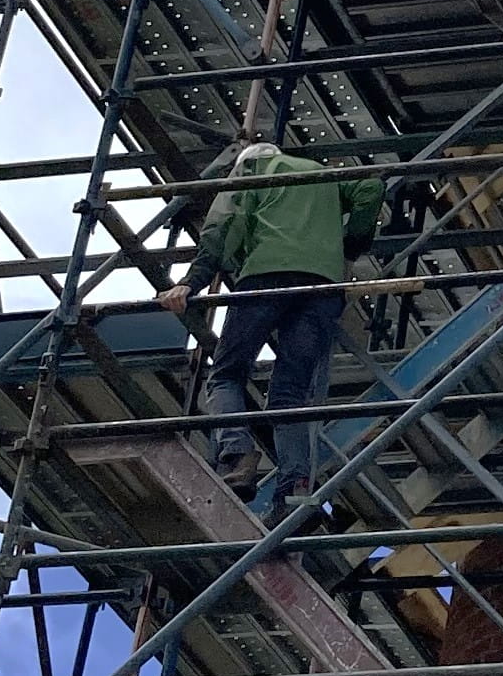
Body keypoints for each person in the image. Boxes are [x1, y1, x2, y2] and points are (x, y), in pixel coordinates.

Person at [164, 134, 387, 509]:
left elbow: (221, 230)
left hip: (267, 278)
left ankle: (236, 456)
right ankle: (296, 488)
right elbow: (371, 186)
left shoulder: (251, 172)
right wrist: (351, 242)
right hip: (323, 287)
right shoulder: (319, 173)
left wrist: (191, 283)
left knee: (226, 374)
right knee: (289, 394)